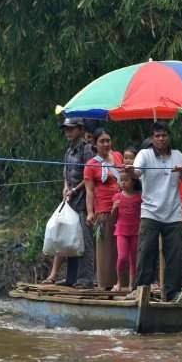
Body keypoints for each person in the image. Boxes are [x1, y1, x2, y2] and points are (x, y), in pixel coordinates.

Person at [129, 121, 182, 300]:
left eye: (164, 135)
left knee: (175, 256)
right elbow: (137, 173)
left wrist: (181, 172)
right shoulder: (144, 154)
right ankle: (142, 290)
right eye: (157, 136)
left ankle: (172, 294)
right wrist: (130, 171)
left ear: (169, 137)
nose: (161, 139)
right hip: (150, 213)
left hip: (174, 214)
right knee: (146, 252)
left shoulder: (178, 155)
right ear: (152, 138)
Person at [84, 127, 124, 290]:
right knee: (105, 249)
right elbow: (90, 191)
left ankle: (123, 282)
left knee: (121, 248)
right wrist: (90, 212)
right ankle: (105, 284)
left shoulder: (118, 157)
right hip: (103, 211)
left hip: (123, 209)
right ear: (95, 144)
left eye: (108, 140)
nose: (106, 144)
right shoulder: (91, 165)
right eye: (102, 141)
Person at [61, 117, 95, 288]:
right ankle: (71, 278)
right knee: (71, 240)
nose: (68, 132)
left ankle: (86, 279)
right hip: (71, 202)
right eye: (66, 129)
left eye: (71, 129)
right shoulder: (69, 151)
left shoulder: (87, 150)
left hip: (83, 202)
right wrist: (66, 188)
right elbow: (66, 174)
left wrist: (75, 189)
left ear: (81, 130)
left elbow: (90, 176)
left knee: (85, 241)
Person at [111, 170, 142, 292]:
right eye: (121, 180)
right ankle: (118, 282)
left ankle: (131, 285)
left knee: (134, 259)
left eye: (126, 180)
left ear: (133, 182)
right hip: (121, 231)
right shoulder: (118, 197)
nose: (123, 183)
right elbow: (113, 217)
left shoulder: (139, 197)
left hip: (135, 231)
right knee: (122, 257)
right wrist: (114, 208)